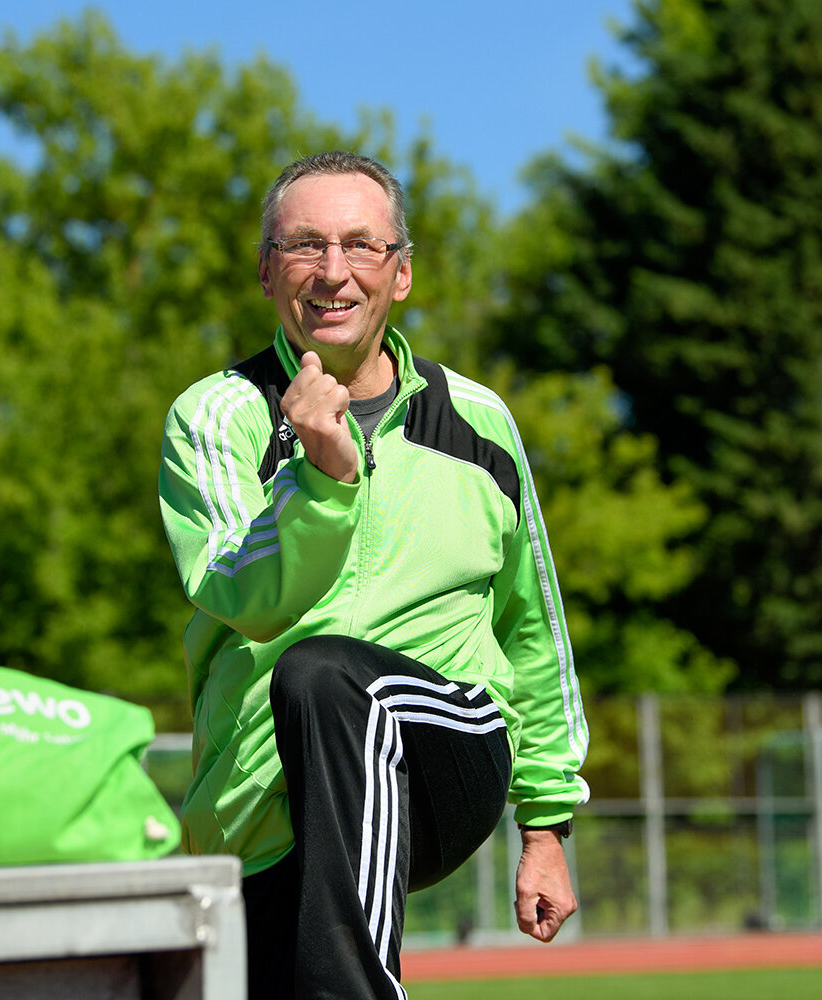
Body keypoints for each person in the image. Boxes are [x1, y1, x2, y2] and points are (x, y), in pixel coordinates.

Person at [159, 151, 589, 999]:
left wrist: (544, 825)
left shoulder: (476, 421)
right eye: (303, 246)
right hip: (266, 802)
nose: (332, 272)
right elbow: (241, 596)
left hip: (443, 756)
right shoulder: (215, 416)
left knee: (324, 674)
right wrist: (322, 479)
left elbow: (531, 627)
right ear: (265, 271)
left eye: (360, 245)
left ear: (401, 273)